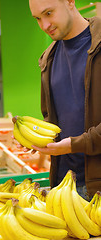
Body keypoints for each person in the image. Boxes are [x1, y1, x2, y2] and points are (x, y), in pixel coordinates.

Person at [27, 0, 101, 200]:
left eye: (49, 13)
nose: (44, 25)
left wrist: (73, 144)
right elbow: (54, 120)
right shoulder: (47, 59)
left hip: (97, 190)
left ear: (70, 1)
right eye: (38, 19)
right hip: (64, 187)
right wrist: (35, 136)